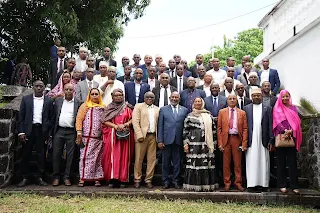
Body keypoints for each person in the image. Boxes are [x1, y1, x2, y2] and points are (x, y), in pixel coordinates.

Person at [17, 80, 54, 187]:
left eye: (41, 86)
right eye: (37, 86)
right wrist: (21, 132)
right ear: (33, 87)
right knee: (26, 154)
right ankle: (25, 177)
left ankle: (40, 177)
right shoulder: (26, 99)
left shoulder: (48, 100)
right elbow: (21, 116)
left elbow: (52, 118)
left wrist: (48, 132)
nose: (39, 88)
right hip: (28, 130)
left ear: (44, 88)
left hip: (42, 130)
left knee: (41, 155)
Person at [183, 97, 218, 191]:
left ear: (202, 103)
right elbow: (185, 131)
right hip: (194, 145)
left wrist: (214, 144)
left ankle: (206, 186)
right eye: (196, 101)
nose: (198, 103)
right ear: (193, 103)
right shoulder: (189, 116)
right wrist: (185, 144)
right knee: (195, 164)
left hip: (206, 146)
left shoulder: (208, 115)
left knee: (206, 164)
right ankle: (194, 186)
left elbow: (213, 130)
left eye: (199, 101)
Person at [243, 88, 274, 192]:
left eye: (258, 95)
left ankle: (264, 184)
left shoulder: (268, 108)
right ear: (251, 97)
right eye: (254, 95)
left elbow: (270, 125)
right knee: (251, 161)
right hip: (251, 140)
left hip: (263, 139)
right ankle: (251, 184)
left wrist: (271, 140)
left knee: (264, 161)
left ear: (262, 96)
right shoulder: (246, 108)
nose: (256, 97)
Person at [102, 89, 134, 188]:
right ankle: (113, 178)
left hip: (126, 135)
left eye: (120, 95)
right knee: (112, 157)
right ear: (112, 97)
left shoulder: (127, 107)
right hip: (112, 136)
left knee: (124, 157)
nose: (119, 97)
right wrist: (115, 126)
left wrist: (126, 124)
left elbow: (134, 118)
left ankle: (123, 179)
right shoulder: (109, 108)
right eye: (116, 95)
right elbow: (104, 120)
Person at [52, 84, 82, 186]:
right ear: (63, 90)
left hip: (71, 132)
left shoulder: (78, 102)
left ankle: (67, 177)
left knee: (71, 155)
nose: (68, 91)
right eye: (66, 89)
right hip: (59, 131)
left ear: (74, 91)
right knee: (56, 154)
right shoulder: (58, 101)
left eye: (70, 90)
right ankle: (56, 177)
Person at [273, 90, 302, 194]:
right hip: (281, 138)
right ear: (280, 98)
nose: (285, 98)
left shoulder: (293, 108)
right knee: (281, 163)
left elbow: (297, 121)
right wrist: (285, 131)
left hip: (291, 138)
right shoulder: (277, 108)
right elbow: (276, 121)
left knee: (292, 163)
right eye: (283, 97)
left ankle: (294, 186)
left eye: (287, 96)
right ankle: (282, 185)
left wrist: (291, 130)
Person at [158, 92, 189, 189]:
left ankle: (176, 180)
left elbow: (186, 127)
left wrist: (185, 142)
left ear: (179, 99)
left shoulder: (184, 110)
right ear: (170, 98)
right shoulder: (163, 110)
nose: (174, 99)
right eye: (173, 97)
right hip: (166, 140)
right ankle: (166, 181)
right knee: (165, 162)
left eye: (176, 97)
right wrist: (160, 140)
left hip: (179, 140)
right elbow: (160, 125)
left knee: (177, 162)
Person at [217, 94, 248, 191]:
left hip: (237, 139)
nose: (232, 100)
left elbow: (245, 129)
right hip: (226, 139)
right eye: (230, 99)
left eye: (234, 99)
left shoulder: (242, 113)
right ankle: (227, 183)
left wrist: (244, 144)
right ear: (227, 101)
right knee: (226, 163)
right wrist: (220, 143)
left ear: (237, 101)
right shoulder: (222, 112)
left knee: (237, 163)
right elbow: (219, 129)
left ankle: (238, 183)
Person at [76, 88, 105, 187]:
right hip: (86, 137)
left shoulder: (103, 107)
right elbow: (79, 119)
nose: (94, 96)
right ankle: (83, 178)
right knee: (84, 157)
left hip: (99, 138)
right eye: (92, 94)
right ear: (89, 95)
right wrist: (79, 133)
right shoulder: (85, 106)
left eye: (96, 94)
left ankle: (96, 179)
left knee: (98, 158)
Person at [132, 92, 159, 188]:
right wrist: (139, 134)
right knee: (139, 159)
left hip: (153, 136)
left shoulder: (157, 109)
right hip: (142, 136)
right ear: (144, 98)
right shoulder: (139, 106)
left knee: (151, 159)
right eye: (147, 97)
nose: (149, 99)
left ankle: (148, 179)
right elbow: (135, 121)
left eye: (152, 97)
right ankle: (137, 179)